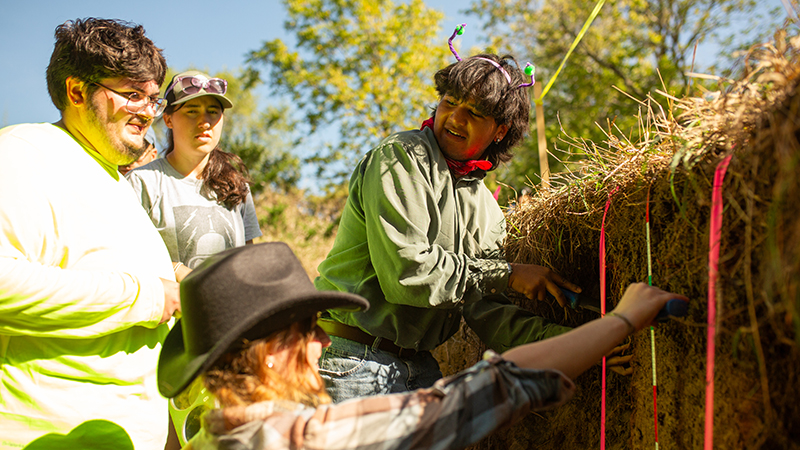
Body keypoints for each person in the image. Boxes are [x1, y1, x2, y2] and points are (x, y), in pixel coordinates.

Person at [157, 242, 687, 449]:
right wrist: (621, 319)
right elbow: (482, 391)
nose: (323, 339)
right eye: (307, 330)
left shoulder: (209, 439)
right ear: (268, 353)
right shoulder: (305, 440)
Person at [313, 24, 584, 401]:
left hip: (421, 369)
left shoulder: (486, 208)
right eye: (450, 102)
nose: (455, 118)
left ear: (500, 130)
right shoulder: (401, 158)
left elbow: (489, 311)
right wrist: (506, 275)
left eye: (474, 112)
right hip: (352, 362)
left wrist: (586, 342)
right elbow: (407, 273)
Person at [0, 17, 180, 449]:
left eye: (153, 99)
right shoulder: (21, 153)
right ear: (77, 92)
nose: (147, 112)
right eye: (131, 95)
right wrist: (150, 297)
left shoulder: (116, 180)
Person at [127, 70, 261, 283]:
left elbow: (251, 264)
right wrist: (176, 270)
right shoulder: (142, 183)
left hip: (232, 313)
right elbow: (125, 257)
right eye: (191, 111)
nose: (205, 122)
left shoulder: (238, 187)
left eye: (213, 111)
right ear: (168, 119)